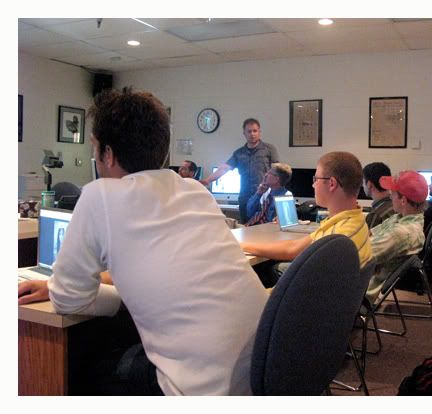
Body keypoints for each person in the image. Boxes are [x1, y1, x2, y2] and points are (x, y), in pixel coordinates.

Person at [17, 87, 268, 396]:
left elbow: (68, 300)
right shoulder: (194, 190)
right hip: (260, 371)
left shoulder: (99, 196)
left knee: (79, 369)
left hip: (200, 390)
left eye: (95, 148)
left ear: (108, 154)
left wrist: (65, 289)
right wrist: (115, 293)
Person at [241, 152, 372, 285]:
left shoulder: (337, 239)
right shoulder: (353, 221)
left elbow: (292, 251)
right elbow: (293, 247)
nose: (313, 185)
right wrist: (245, 246)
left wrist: (242, 246)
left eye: (316, 179)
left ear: (332, 183)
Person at [364, 170, 428, 304]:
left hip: (361, 290)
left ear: (403, 200)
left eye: (393, 193)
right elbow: (369, 234)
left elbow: (361, 257)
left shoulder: (401, 233)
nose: (390, 196)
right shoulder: (399, 218)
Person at [200, 118, 279, 223]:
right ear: (244, 133)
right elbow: (224, 168)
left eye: (255, 131)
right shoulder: (238, 153)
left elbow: (277, 171)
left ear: (259, 132)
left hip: (264, 197)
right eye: (249, 131)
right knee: (245, 228)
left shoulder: (269, 149)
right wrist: (207, 180)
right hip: (245, 198)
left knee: (265, 229)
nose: (252, 134)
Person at [362, 162, 395, 228]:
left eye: (363, 182)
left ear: (369, 184)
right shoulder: (397, 206)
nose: (362, 185)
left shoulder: (375, 215)